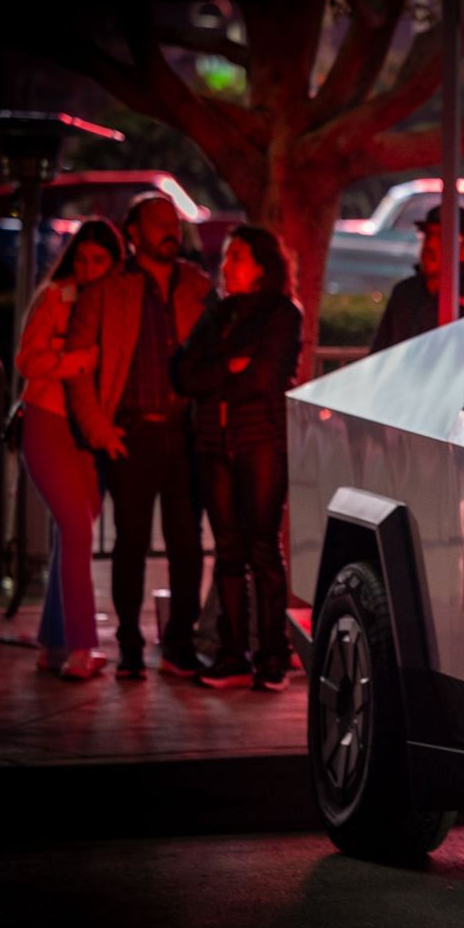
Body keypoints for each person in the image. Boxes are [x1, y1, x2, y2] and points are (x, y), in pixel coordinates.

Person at [64, 194, 213, 680]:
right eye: (158, 222)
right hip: (131, 434)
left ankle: (180, 643)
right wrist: (99, 430)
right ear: (134, 231)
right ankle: (130, 641)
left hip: (185, 434)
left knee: (187, 545)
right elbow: (78, 369)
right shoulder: (107, 291)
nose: (169, 229)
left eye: (173, 221)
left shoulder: (196, 285)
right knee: (130, 542)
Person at [172, 225, 303, 690]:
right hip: (214, 443)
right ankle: (233, 654)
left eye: (237, 257)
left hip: (261, 442)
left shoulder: (283, 313)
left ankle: (273, 655)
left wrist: (218, 372)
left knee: (262, 547)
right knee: (228, 550)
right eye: (226, 258)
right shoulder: (218, 314)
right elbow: (183, 374)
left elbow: (262, 378)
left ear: (263, 267)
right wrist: (228, 366)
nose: (226, 267)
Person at [16, 218, 119, 680]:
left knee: (78, 525)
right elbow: (26, 360)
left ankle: (54, 642)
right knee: (76, 530)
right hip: (47, 419)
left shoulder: (110, 303)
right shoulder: (56, 297)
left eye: (99, 259)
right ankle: (79, 646)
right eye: (83, 258)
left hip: (81, 429)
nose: (89, 267)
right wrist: (79, 360)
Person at [367, 202, 464, 352]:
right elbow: (379, 356)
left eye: (441, 238)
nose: (430, 244)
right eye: (428, 235)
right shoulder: (405, 293)